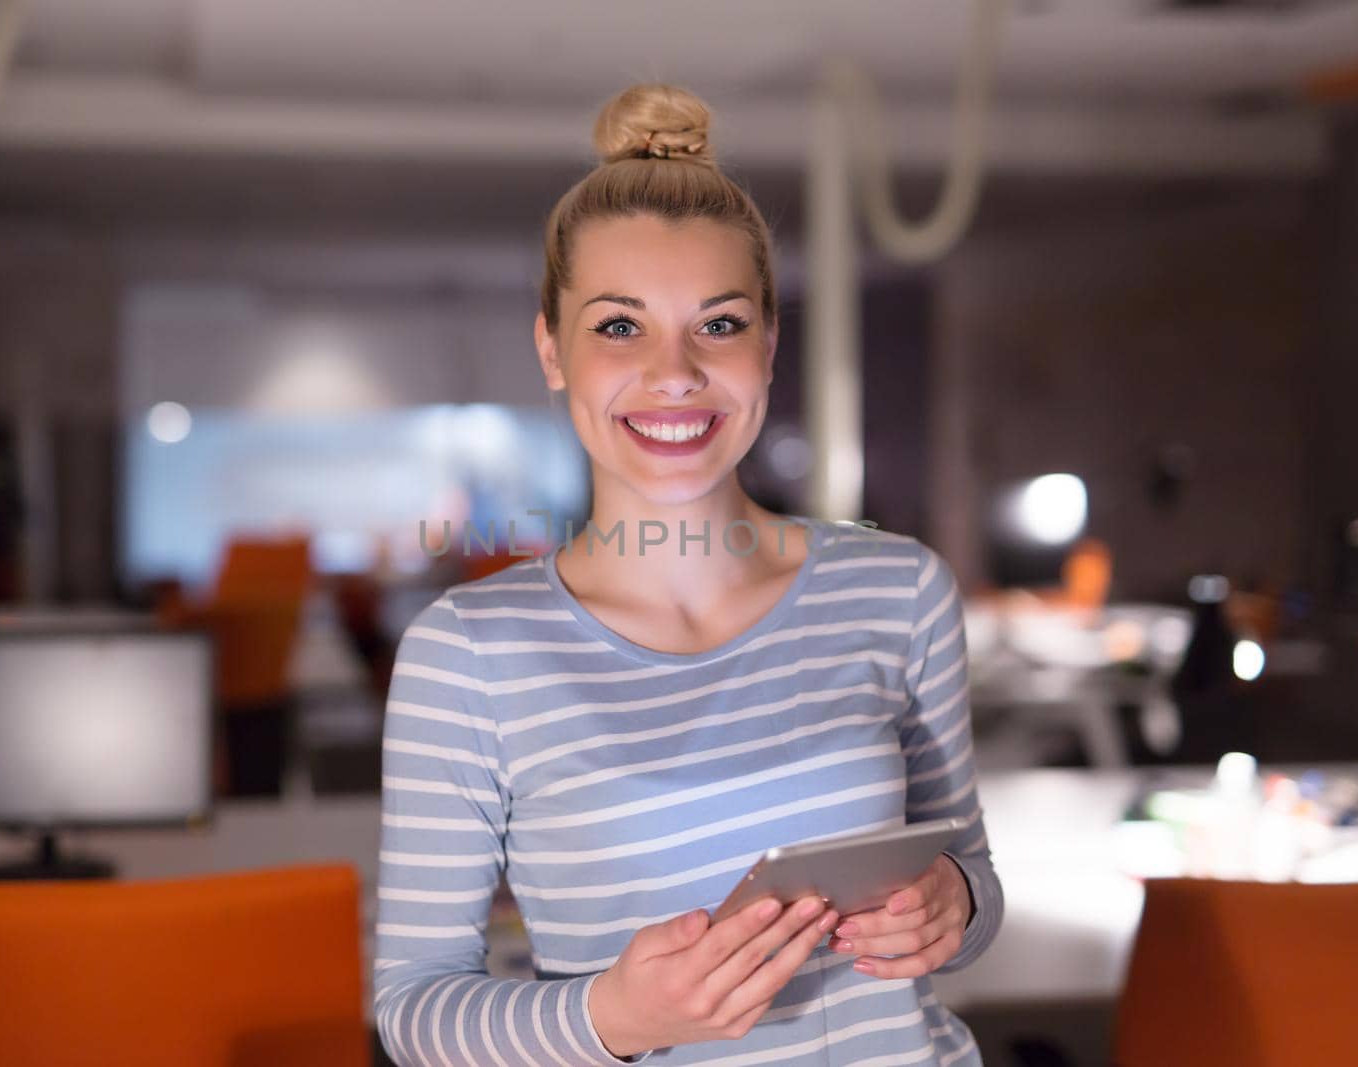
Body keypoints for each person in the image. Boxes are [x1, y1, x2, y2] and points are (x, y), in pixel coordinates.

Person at [373, 82, 1003, 1066]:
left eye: (717, 324)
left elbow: (970, 876)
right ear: (552, 348)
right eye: (619, 326)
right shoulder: (469, 654)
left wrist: (952, 902)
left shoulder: (898, 588)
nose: (674, 373)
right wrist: (612, 1017)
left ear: (767, 342)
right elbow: (412, 1009)